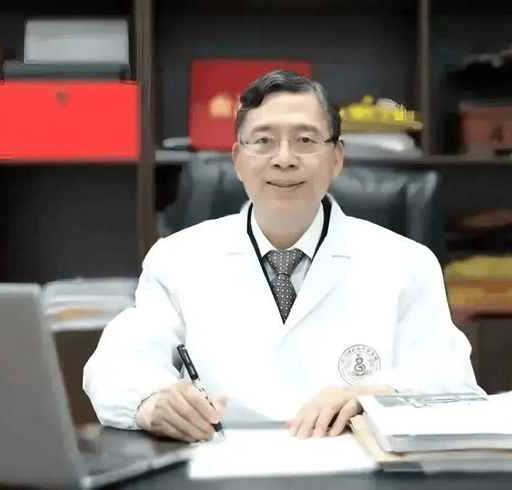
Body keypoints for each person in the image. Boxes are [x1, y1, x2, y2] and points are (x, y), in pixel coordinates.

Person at [83, 70, 484, 443]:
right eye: (263, 141)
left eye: (306, 140)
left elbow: (456, 389)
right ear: (238, 160)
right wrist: (151, 403)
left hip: (354, 467)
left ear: (337, 158)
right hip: (220, 466)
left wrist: (380, 395)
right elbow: (115, 367)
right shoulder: (178, 258)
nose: (284, 158)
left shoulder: (406, 263)